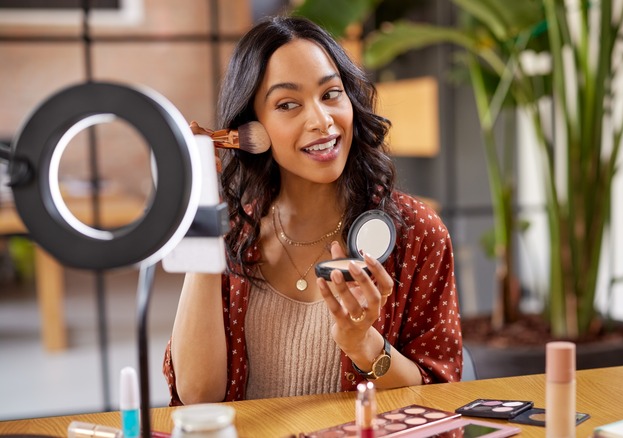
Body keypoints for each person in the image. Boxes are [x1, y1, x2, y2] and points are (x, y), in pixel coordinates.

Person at [163, 15, 462, 405]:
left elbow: (441, 394)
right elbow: (198, 398)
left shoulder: (417, 232)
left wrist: (363, 345)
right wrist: (205, 222)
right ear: (252, 128)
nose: (321, 121)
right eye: (287, 104)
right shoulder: (232, 233)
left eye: (331, 94)